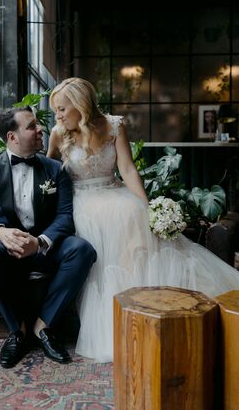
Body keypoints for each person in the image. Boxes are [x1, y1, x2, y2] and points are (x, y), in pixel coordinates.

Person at [47, 77, 239, 363]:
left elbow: (127, 168)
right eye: (56, 111)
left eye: (62, 109)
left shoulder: (114, 125)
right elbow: (48, 174)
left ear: (80, 105)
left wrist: (147, 207)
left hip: (114, 192)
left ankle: (152, 309)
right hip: (81, 201)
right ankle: (121, 318)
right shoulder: (58, 133)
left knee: (132, 215)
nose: (58, 116)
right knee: (104, 227)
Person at [0, 106, 96, 369]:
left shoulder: (56, 169)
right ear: (12, 137)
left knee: (82, 250)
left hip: (45, 250)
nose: (40, 129)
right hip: (6, 251)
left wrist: (40, 242)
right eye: (31, 126)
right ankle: (17, 330)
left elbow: (65, 216)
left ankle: (43, 326)